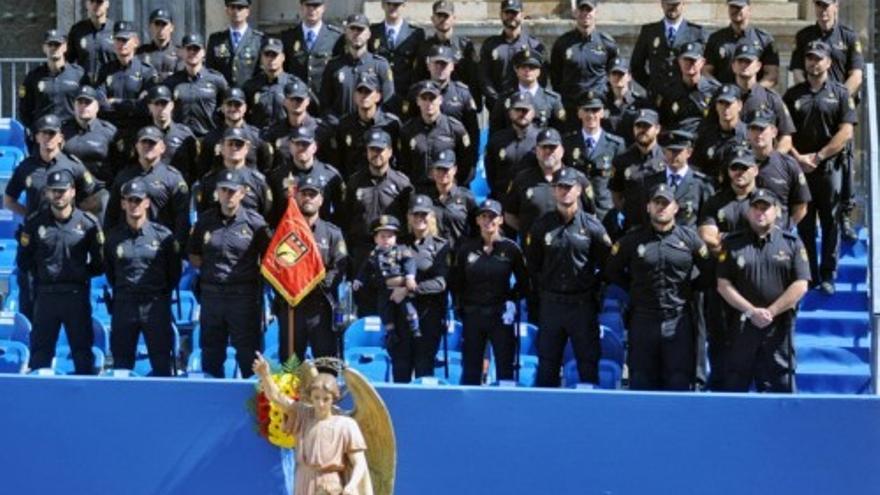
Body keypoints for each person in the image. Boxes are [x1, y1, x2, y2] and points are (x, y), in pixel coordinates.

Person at [605, 184, 710, 390]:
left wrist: (688, 290)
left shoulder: (690, 240)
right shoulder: (632, 240)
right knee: (642, 380)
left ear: (675, 208)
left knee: (679, 380)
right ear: (648, 207)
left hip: (678, 320)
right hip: (643, 320)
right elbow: (612, 271)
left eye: (666, 203)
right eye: (657, 203)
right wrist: (634, 290)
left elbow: (709, 272)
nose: (661, 208)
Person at [5, 115, 100, 320]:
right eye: (43, 133)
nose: (47, 137)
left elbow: (92, 200)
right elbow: (9, 200)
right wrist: (30, 217)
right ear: (37, 137)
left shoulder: (73, 166)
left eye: (52, 133)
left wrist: (76, 219)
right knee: (30, 300)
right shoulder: (26, 167)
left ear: (60, 138)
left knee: (73, 304)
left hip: (67, 240)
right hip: (36, 242)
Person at [716, 188, 810, 392]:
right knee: (735, 383)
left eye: (765, 208)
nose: (760, 213)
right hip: (741, 326)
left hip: (778, 327)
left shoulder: (791, 243)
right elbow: (723, 284)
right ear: (748, 213)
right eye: (756, 208)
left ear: (777, 211)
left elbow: (801, 284)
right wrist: (751, 311)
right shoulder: (732, 243)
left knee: (781, 384)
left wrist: (771, 312)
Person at [526, 167, 612, 387]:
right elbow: (533, 264)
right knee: (547, 366)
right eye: (560, 187)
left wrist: (593, 290)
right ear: (554, 191)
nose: (564, 192)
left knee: (587, 364)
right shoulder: (542, 226)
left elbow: (607, 265)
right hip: (552, 304)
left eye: (569, 187)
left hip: (581, 305)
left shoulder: (592, 227)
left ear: (579, 190)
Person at [784, 40, 856, 295]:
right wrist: (798, 157)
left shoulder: (840, 93)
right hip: (800, 170)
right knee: (803, 223)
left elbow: (846, 131)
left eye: (818, 58)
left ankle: (828, 275)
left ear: (828, 62)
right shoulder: (793, 94)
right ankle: (810, 275)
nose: (813, 63)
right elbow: (783, 132)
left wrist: (820, 155)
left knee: (830, 222)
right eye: (809, 58)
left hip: (828, 169)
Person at [790, 0, 864, 241]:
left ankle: (845, 213)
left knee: (845, 161)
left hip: (838, 109)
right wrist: (812, 92)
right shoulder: (804, 36)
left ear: (836, 5)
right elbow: (798, 69)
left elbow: (857, 74)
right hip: (811, 106)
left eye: (827, 5)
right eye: (818, 5)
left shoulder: (849, 36)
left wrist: (836, 96)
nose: (823, 10)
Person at [18, 169, 104, 374]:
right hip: (46, 296)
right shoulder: (35, 223)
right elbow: (24, 260)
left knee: (82, 354)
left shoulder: (88, 224)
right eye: (54, 191)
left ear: (73, 192)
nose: (58, 195)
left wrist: (80, 274)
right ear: (47, 193)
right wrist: (43, 274)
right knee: (40, 355)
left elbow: (100, 263)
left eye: (63, 190)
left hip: (76, 296)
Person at [189, 169, 271, 378]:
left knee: (248, 355)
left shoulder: (255, 223)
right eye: (224, 190)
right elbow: (194, 255)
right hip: (212, 296)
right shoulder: (205, 221)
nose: (228, 195)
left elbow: (268, 258)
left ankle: (251, 403)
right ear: (218, 192)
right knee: (211, 354)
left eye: (233, 191)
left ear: (243, 193)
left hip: (242, 297)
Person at [252, 353, 370, 495]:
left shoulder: (346, 425)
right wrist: (265, 375)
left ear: (334, 398)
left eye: (326, 399)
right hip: (303, 480)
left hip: (330, 485)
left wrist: (352, 485)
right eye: (316, 398)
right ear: (311, 397)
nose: (320, 403)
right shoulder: (302, 413)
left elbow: (359, 462)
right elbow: (276, 398)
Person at [104, 179, 181, 376]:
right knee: (121, 364)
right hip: (124, 305)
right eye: (130, 200)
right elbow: (110, 273)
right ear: (123, 203)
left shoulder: (163, 237)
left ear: (147, 202)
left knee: (161, 363)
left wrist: (158, 294)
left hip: (154, 305)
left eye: (138, 200)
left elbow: (174, 273)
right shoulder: (113, 238)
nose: (134, 205)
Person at [451, 199, 529, 385]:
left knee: (505, 368)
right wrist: (462, 308)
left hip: (501, 316)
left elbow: (525, 283)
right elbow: (456, 282)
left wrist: (512, 300)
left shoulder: (511, 249)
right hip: (473, 315)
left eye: (492, 217)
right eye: (483, 217)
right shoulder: (466, 249)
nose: (488, 221)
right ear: (477, 221)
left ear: (501, 220)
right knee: (471, 369)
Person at [276, 176, 348, 363]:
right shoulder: (286, 231)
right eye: (304, 194)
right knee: (289, 369)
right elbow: (276, 266)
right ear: (297, 197)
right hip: (292, 308)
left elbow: (339, 266)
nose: (308, 198)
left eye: (313, 194)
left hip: (321, 308)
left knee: (326, 366)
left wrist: (314, 283)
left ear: (321, 200)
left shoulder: (332, 233)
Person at [342, 130, 413, 298]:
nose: (376, 154)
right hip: (363, 252)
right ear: (366, 152)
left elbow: (408, 221)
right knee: (364, 306)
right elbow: (345, 217)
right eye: (372, 150)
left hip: (393, 256)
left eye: (380, 150)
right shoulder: (354, 182)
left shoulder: (402, 184)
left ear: (389, 152)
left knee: (392, 309)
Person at [352, 216, 421, 382]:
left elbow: (410, 263)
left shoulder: (401, 250)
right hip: (384, 291)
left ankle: (415, 326)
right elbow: (365, 270)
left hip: (402, 290)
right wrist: (358, 280)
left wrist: (410, 277)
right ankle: (390, 332)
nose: (386, 240)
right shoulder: (373, 254)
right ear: (375, 238)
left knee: (408, 309)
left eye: (389, 236)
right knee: (384, 311)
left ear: (395, 237)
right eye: (382, 236)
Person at [106, 126, 190, 249]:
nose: (147, 146)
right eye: (144, 142)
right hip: (129, 244)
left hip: (162, 246)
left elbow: (182, 216)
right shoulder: (124, 176)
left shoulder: (172, 177)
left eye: (152, 143)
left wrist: (177, 244)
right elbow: (111, 213)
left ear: (162, 147)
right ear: (136, 146)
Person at [395, 195, 451, 381]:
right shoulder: (398, 244)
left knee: (424, 367)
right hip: (401, 315)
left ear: (432, 216)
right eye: (415, 214)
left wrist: (410, 288)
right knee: (401, 367)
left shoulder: (441, 246)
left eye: (424, 214)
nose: (419, 218)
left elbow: (440, 283)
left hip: (429, 315)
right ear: (409, 217)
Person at [504, 128, 595, 239]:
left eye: (553, 147)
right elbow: (509, 215)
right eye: (544, 147)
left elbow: (591, 216)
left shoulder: (578, 179)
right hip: (534, 250)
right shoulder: (521, 180)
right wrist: (529, 231)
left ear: (562, 151)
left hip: (569, 248)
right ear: (537, 151)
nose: (548, 151)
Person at [398, 80, 474, 191]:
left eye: (432, 98)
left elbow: (466, 161)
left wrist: (457, 183)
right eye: (424, 99)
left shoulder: (455, 129)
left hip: (446, 190)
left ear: (440, 100)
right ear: (418, 101)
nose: (429, 103)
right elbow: (403, 163)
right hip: (418, 191)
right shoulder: (408, 130)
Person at [562, 90, 626, 222]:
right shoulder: (568, 142)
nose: (591, 115)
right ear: (579, 113)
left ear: (602, 113)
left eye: (595, 110)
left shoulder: (616, 144)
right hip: (577, 212)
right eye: (586, 110)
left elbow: (621, 182)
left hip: (606, 212)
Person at [320, 14, 395, 124]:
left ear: (369, 34)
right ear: (346, 32)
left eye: (360, 29)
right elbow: (325, 104)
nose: (356, 33)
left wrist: (373, 122)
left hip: (371, 131)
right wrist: (338, 125)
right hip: (340, 131)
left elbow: (389, 102)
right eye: (352, 28)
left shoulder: (380, 65)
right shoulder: (333, 66)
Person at [550, 0, 619, 119]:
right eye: (582, 9)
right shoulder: (563, 43)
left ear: (596, 12)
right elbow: (555, 76)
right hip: (571, 108)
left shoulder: (607, 43)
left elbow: (613, 76)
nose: (585, 13)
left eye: (589, 10)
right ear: (575, 12)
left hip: (598, 109)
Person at [746, 109, 811, 231]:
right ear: (748, 133)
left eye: (762, 129)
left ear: (774, 132)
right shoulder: (738, 164)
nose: (758, 134)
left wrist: (785, 229)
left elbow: (801, 206)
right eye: (754, 128)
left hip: (777, 236)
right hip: (745, 237)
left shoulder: (788, 165)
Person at [267, 126, 344, 227]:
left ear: (314, 147)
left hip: (320, 236)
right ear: (290, 146)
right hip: (288, 236)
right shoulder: (278, 177)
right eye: (297, 144)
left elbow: (341, 212)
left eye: (305, 144)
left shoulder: (330, 176)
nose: (301, 148)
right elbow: (271, 214)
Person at [406, 45, 480, 150]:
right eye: (436, 63)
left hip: (454, 156)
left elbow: (472, 131)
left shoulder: (462, 93)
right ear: (428, 65)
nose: (440, 68)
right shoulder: (416, 92)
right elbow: (409, 126)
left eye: (444, 64)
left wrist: (471, 161)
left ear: (452, 66)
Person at [478, 0, 546, 110]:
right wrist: (497, 100)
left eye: (514, 13)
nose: (511, 16)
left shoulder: (534, 45)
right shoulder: (490, 45)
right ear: (501, 15)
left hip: (526, 108)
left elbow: (541, 78)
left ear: (522, 15)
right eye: (507, 13)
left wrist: (529, 100)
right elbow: (483, 77)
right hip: (497, 108)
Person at [95, 21, 158, 140]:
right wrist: (132, 104)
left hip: (138, 132)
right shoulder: (105, 70)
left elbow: (145, 107)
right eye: (118, 40)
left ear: (136, 42)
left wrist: (116, 102)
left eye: (125, 40)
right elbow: (101, 103)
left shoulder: (146, 72)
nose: (121, 44)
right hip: (110, 131)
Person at [414, 0, 482, 110]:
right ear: (432, 19)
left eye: (446, 16)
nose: (443, 19)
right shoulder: (425, 47)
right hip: (431, 104)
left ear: (454, 18)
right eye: (439, 15)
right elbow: (418, 78)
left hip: (459, 105)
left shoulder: (465, 46)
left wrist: (475, 103)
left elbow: (473, 79)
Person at [630, 0, 706, 97]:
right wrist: (651, 86)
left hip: (685, 96)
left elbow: (705, 67)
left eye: (675, 4)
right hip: (657, 97)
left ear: (683, 4)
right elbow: (636, 66)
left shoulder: (696, 33)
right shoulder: (649, 32)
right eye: (668, 4)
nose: (672, 7)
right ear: (662, 4)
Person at [730, 43, 795, 154]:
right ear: (733, 66)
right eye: (740, 61)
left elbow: (786, 138)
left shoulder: (771, 98)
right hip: (733, 163)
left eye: (749, 61)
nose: (744, 65)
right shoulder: (723, 97)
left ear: (758, 66)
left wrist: (771, 161)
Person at [333, 72, 402, 177]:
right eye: (360, 91)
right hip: (354, 184)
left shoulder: (391, 124)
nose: (364, 96)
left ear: (378, 96)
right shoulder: (345, 124)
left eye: (368, 92)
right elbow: (339, 159)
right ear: (355, 96)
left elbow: (400, 158)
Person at [18, 30, 87, 133]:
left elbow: (88, 103)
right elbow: (24, 109)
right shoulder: (33, 76)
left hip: (71, 134)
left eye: (57, 44)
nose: (53, 48)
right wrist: (35, 130)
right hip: (45, 135)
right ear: (44, 48)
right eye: (50, 44)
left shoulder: (79, 74)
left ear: (65, 47)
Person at [196, 127, 273, 220]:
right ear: (222, 148)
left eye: (239, 144)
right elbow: (202, 214)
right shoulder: (209, 181)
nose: (234, 148)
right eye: (230, 144)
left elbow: (266, 214)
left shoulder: (258, 182)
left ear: (247, 148)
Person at [609, 108, 664, 235]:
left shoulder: (666, 159)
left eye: (647, 126)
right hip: (632, 228)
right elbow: (616, 192)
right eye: (638, 126)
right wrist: (625, 212)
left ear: (657, 129)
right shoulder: (621, 160)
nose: (642, 130)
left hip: (659, 226)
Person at [197, 87, 273, 179]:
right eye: (229, 104)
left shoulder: (257, 137)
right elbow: (204, 170)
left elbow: (265, 169)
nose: (233, 108)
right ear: (222, 107)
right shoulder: (211, 138)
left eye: (237, 105)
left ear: (245, 108)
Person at [164, 34, 230, 138]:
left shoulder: (217, 80)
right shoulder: (172, 82)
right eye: (188, 48)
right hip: (181, 141)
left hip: (208, 139)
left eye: (196, 48)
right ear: (181, 52)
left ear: (203, 52)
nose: (192, 52)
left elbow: (228, 106)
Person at [488, 49, 565, 135]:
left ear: (539, 71)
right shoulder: (505, 98)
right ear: (516, 70)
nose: (527, 70)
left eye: (532, 67)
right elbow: (495, 130)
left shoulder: (552, 99)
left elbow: (560, 131)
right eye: (523, 67)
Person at [703, 0, 779, 87]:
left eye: (739, 7)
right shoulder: (716, 39)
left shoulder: (764, 39)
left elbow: (772, 75)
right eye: (732, 7)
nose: (735, 10)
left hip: (754, 97)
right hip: (723, 96)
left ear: (749, 10)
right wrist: (721, 91)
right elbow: (706, 72)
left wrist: (753, 93)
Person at [280, 0, 345, 101]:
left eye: (316, 5)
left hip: (324, 102)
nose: (312, 9)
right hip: (296, 102)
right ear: (301, 7)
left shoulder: (336, 37)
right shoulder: (288, 37)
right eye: (308, 5)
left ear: (323, 8)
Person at [261, 80, 335, 169]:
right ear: (284, 101)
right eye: (292, 99)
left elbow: (330, 164)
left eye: (300, 99)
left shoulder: (320, 130)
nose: (296, 103)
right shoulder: (275, 131)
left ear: (307, 101)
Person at [61, 85, 121, 188]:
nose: (83, 106)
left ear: (97, 107)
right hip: (67, 190)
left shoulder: (109, 132)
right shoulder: (62, 131)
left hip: (99, 191)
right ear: (74, 106)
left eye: (88, 103)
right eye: (80, 102)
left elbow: (119, 165)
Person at [654, 42, 720, 133]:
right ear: (679, 61)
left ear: (702, 62)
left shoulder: (714, 91)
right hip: (677, 140)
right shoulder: (669, 91)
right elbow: (663, 122)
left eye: (693, 60)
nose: (689, 64)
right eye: (686, 60)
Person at [483, 91, 539, 200]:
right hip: (503, 197)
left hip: (531, 199)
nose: (522, 113)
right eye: (518, 110)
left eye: (526, 110)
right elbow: (490, 171)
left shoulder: (540, 139)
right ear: (509, 112)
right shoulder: (497, 140)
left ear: (533, 113)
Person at [369, 0, 426, 105]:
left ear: (403, 5)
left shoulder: (415, 34)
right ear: (382, 5)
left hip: (405, 96)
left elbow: (419, 68)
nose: (392, 7)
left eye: (396, 4)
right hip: (378, 95)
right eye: (388, 3)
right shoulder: (373, 32)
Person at [691, 83, 749, 187]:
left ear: (739, 105)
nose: (725, 108)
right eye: (721, 103)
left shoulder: (748, 135)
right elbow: (695, 165)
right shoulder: (706, 134)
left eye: (729, 103)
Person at [144, 85, 200, 185]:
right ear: (150, 106)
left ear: (172, 105)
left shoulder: (185, 134)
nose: (161, 108)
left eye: (164, 104)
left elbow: (195, 167)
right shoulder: (143, 136)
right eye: (157, 104)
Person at [241, 38, 302, 129]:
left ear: (283, 57)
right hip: (259, 139)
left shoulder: (294, 85)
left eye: (274, 55)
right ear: (261, 58)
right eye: (267, 55)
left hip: (285, 139)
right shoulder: (251, 86)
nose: (270, 59)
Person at [206, 0, 265, 87]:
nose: (236, 11)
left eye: (240, 8)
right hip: (224, 95)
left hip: (248, 95)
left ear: (248, 12)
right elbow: (210, 70)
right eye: (232, 7)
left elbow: (262, 71)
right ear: (227, 11)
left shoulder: (259, 39)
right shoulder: (216, 39)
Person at [425, 150, 477, 250]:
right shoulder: (427, 199)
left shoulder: (466, 197)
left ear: (454, 170)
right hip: (434, 257)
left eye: (446, 169)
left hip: (461, 256)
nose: (442, 173)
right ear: (432, 171)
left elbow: (477, 228)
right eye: (439, 169)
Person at [602, 57, 650, 147]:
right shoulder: (602, 102)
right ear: (608, 77)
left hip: (630, 153)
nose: (617, 77)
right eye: (614, 74)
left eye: (621, 74)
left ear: (629, 77)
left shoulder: (640, 103)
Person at [66, 0, 115, 84]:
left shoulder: (115, 30)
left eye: (99, 2)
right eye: (92, 1)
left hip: (109, 86)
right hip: (84, 87)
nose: (95, 5)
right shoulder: (77, 30)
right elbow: (69, 61)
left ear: (107, 4)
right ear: (86, 4)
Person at [137, 8, 181, 82]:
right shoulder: (140, 53)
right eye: (157, 24)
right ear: (150, 27)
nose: (160, 29)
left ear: (172, 28)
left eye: (164, 24)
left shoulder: (180, 54)